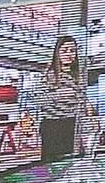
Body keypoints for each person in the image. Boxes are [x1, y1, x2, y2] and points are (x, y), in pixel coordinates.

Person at [33, 34, 91, 164]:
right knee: (53, 165)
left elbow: (81, 101)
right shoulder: (50, 75)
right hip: (53, 127)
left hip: (73, 126)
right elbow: (37, 100)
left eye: (72, 51)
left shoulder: (78, 77)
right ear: (57, 53)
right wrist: (58, 94)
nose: (69, 54)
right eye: (65, 51)